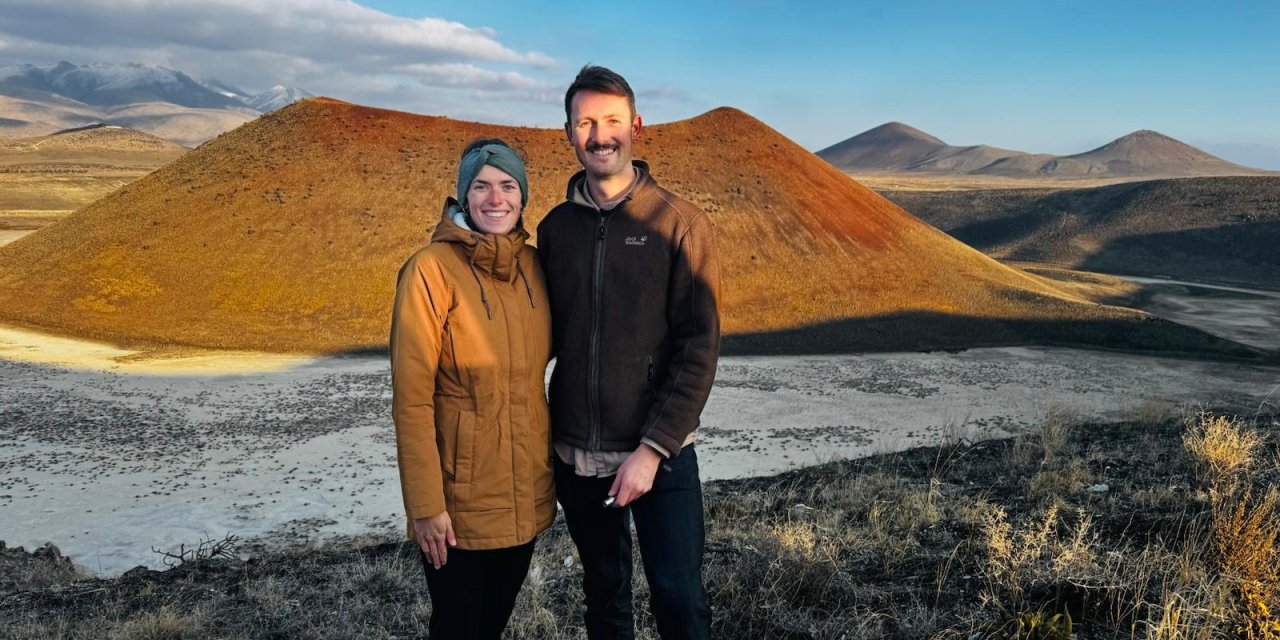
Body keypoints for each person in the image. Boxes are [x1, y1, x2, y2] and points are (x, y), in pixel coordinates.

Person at [537, 65, 722, 640]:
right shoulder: (554, 230)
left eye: (612, 120)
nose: (600, 134)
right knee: (605, 596)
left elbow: (699, 347)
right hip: (578, 456)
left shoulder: (680, 225)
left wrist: (653, 448)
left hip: (659, 454)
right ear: (568, 133)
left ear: (636, 126)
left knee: (679, 597)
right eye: (585, 122)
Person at [390, 138, 555, 639]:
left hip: (524, 494)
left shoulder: (534, 267)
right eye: (480, 186)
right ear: (463, 197)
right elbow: (412, 401)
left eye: (508, 185)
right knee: (458, 629)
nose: (495, 198)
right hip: (457, 508)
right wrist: (425, 506)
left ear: (523, 197)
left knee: (493, 626)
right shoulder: (430, 271)